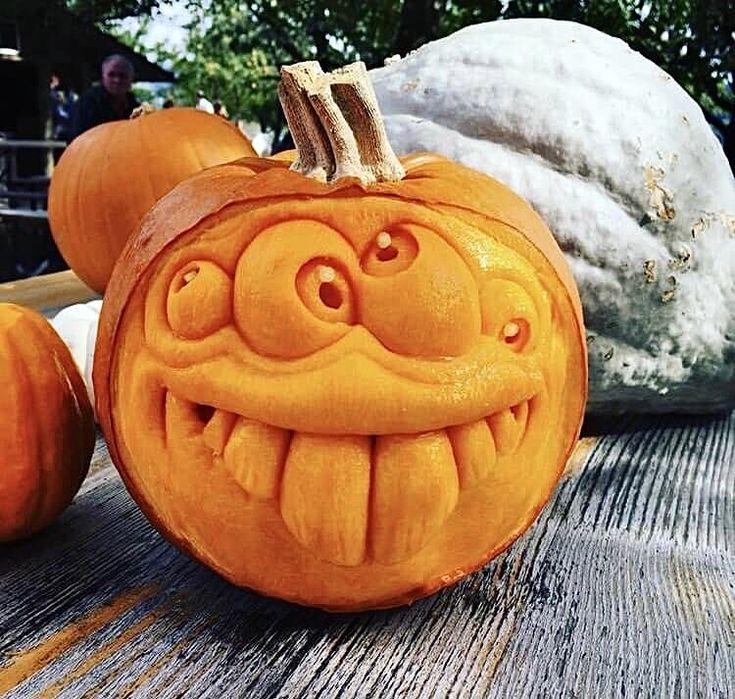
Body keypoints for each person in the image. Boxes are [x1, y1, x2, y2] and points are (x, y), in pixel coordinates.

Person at [68, 54, 139, 142]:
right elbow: (77, 140)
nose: (117, 80)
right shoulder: (87, 104)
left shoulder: (136, 108)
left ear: (131, 78)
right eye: (111, 75)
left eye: (122, 76)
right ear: (103, 77)